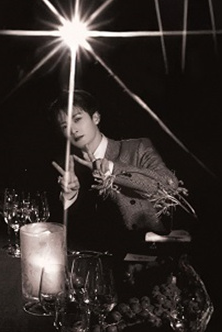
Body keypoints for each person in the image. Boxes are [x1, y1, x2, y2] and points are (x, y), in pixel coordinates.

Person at [49, 90, 182, 253]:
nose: (73, 130)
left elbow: (170, 185)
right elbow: (67, 233)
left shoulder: (136, 148)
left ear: (95, 118)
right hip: (95, 257)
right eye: (65, 126)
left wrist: (112, 169)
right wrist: (70, 196)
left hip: (145, 253)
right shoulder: (68, 168)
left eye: (77, 119)